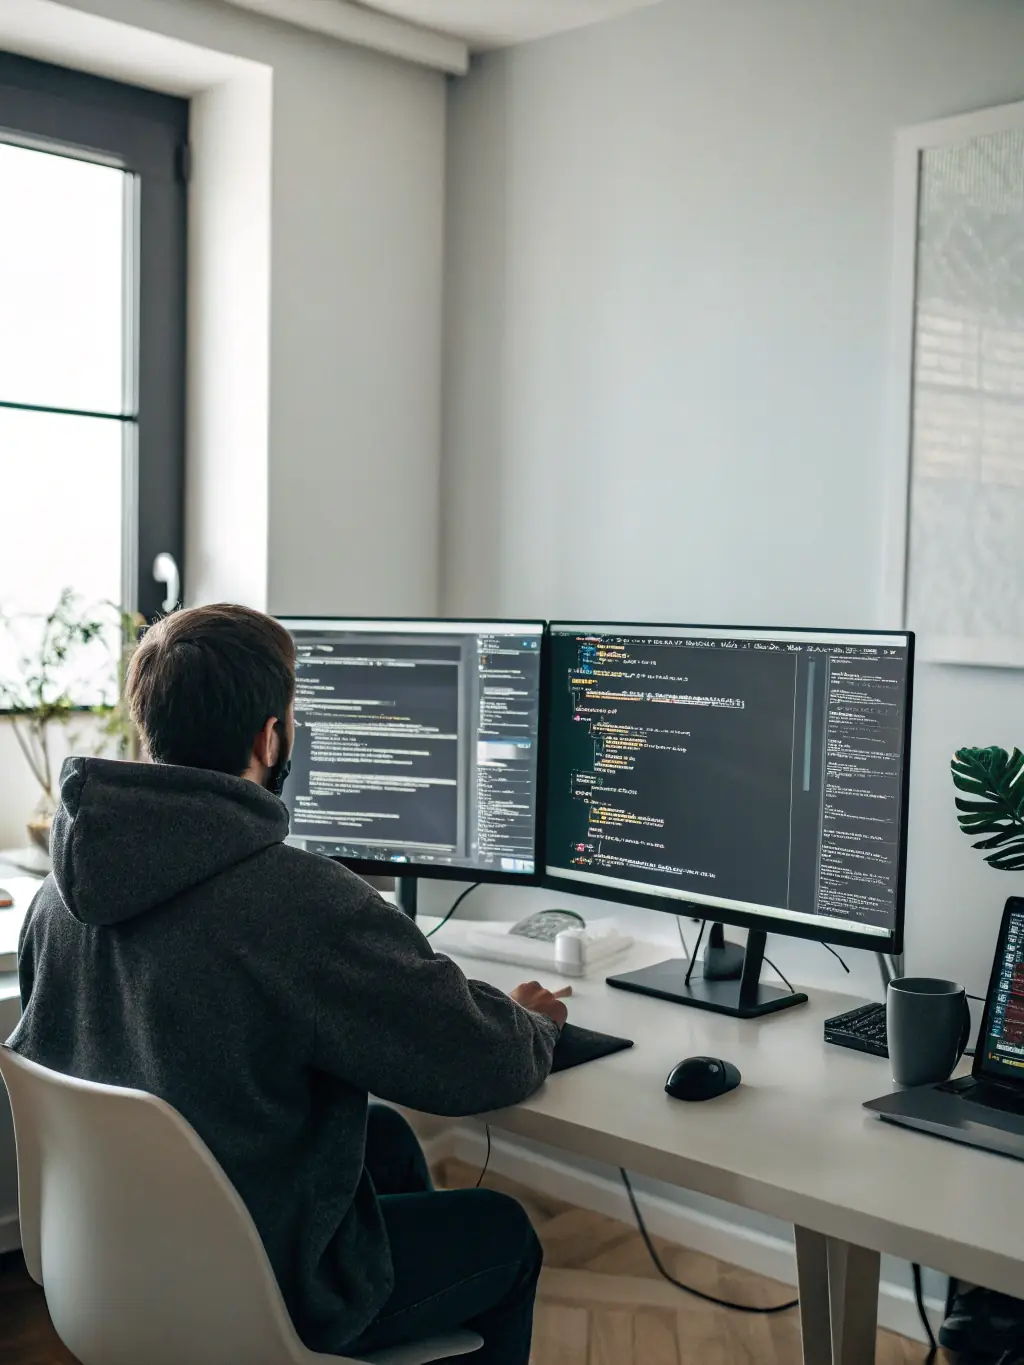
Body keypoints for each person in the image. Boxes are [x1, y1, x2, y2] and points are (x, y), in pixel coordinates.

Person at [8, 604, 571, 1364]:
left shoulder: (59, 894)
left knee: (387, 1140)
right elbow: (483, 1061)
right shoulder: (299, 902)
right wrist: (528, 1020)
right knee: (504, 1234)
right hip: (252, 1290)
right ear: (270, 737)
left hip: (117, 1261)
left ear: (150, 724)